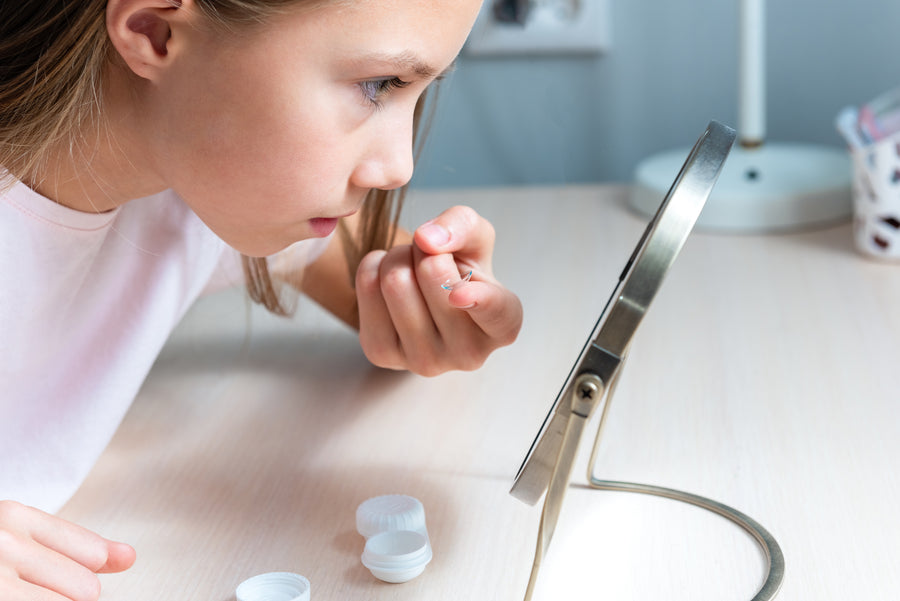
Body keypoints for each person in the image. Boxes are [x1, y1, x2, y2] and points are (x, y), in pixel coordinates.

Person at [0, 1, 522, 599]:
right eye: (379, 84)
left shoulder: (194, 181)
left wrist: (438, 301)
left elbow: (380, 283)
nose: (398, 168)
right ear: (154, 31)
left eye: (420, 90)